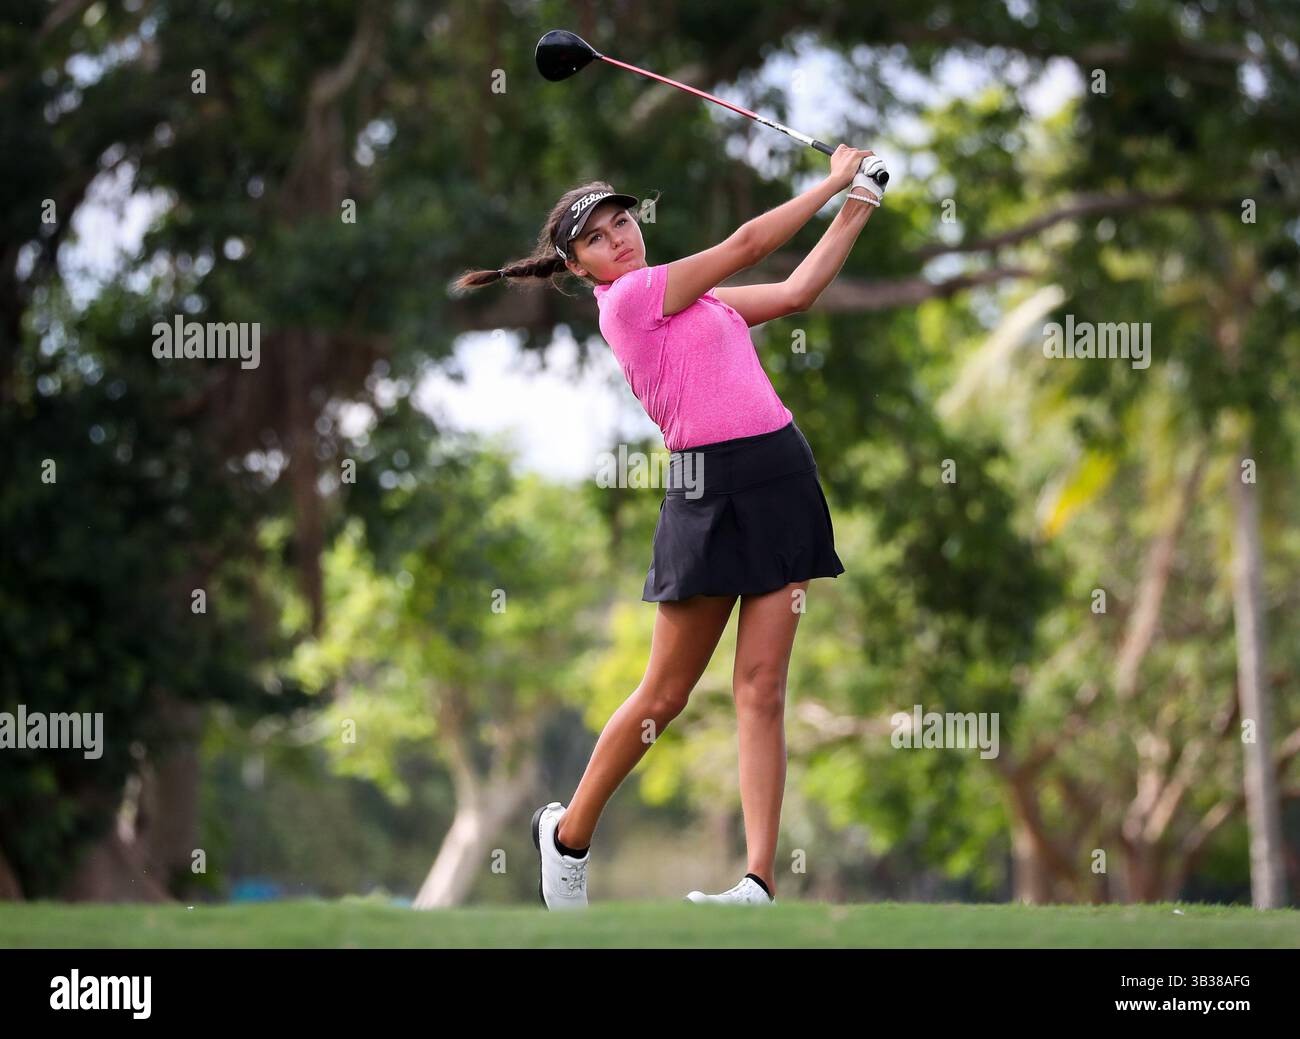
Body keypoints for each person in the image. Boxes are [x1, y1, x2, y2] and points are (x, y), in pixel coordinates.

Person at [451, 145, 887, 908]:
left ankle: (757, 880)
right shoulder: (629, 301)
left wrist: (859, 205)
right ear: (579, 266)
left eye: (623, 221)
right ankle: (568, 836)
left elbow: (793, 292)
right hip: (706, 491)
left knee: (763, 688)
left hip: (780, 476)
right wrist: (831, 179)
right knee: (664, 695)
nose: (619, 237)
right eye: (597, 237)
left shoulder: (704, 303)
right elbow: (749, 244)